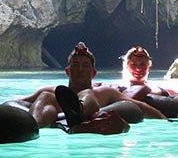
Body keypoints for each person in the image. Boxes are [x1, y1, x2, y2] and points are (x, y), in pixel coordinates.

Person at [20, 42, 166, 128]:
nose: (80, 69)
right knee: (45, 96)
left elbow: (137, 106)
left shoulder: (104, 92)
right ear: (67, 71)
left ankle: (78, 111)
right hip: (54, 119)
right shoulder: (52, 91)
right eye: (75, 65)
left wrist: (164, 120)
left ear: (93, 73)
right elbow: (19, 102)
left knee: (87, 93)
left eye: (85, 65)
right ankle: (33, 126)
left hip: (87, 116)